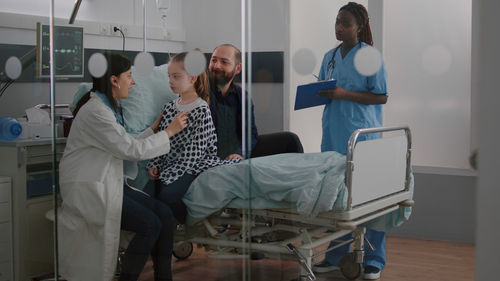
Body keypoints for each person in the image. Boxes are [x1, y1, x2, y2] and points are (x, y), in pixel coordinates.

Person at [57, 52, 188, 281]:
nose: (133, 81)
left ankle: (163, 277)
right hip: (91, 188)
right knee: (150, 224)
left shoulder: (109, 109)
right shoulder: (96, 112)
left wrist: (155, 128)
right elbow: (130, 150)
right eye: (129, 76)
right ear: (114, 80)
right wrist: (169, 132)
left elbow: (127, 143)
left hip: (111, 182)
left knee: (165, 215)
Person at [311, 2, 388, 280]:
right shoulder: (329, 56)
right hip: (333, 133)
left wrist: (343, 94)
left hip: (362, 135)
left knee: (370, 199)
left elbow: (381, 96)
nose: (339, 27)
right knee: (338, 200)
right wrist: (316, 93)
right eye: (337, 21)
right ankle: (336, 255)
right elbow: (324, 87)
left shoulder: (369, 56)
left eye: (345, 23)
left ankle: (374, 260)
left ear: (359, 27)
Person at [147, 51, 239, 224]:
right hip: (168, 165)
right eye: (169, 76)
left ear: (193, 78)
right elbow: (162, 138)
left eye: (176, 76)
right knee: (146, 196)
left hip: (192, 166)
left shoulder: (201, 109)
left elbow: (195, 152)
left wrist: (170, 175)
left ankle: (190, 223)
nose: (170, 81)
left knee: (166, 196)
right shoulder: (169, 108)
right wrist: (154, 164)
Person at [208, 44, 303, 160]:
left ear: (238, 69)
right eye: (213, 60)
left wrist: (240, 153)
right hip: (210, 154)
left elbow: (249, 134)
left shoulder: (242, 96)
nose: (216, 66)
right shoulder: (198, 93)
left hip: (235, 152)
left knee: (290, 140)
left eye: (224, 62)